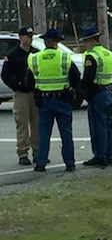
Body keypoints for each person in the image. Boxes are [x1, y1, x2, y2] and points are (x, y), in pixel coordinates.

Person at [27, 29, 80, 172]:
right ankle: (70, 164)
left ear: (45, 41)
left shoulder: (34, 58)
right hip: (62, 99)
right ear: (57, 42)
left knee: (44, 133)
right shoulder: (65, 57)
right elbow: (76, 77)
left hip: (44, 101)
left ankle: (41, 163)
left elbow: (28, 81)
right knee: (66, 133)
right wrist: (71, 89)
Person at [1, 26, 38, 166]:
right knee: (22, 123)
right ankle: (23, 153)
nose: (30, 39)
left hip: (35, 93)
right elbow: (5, 75)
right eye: (28, 36)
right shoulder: (12, 55)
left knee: (37, 124)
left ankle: (38, 152)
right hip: (21, 94)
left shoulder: (35, 54)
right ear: (21, 37)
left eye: (31, 36)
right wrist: (16, 85)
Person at [80, 27, 112, 168]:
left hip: (97, 94)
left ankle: (100, 156)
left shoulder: (91, 56)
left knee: (98, 126)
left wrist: (82, 90)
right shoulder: (109, 54)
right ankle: (109, 155)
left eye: (85, 41)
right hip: (108, 92)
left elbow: (88, 77)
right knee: (108, 125)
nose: (85, 44)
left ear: (90, 40)